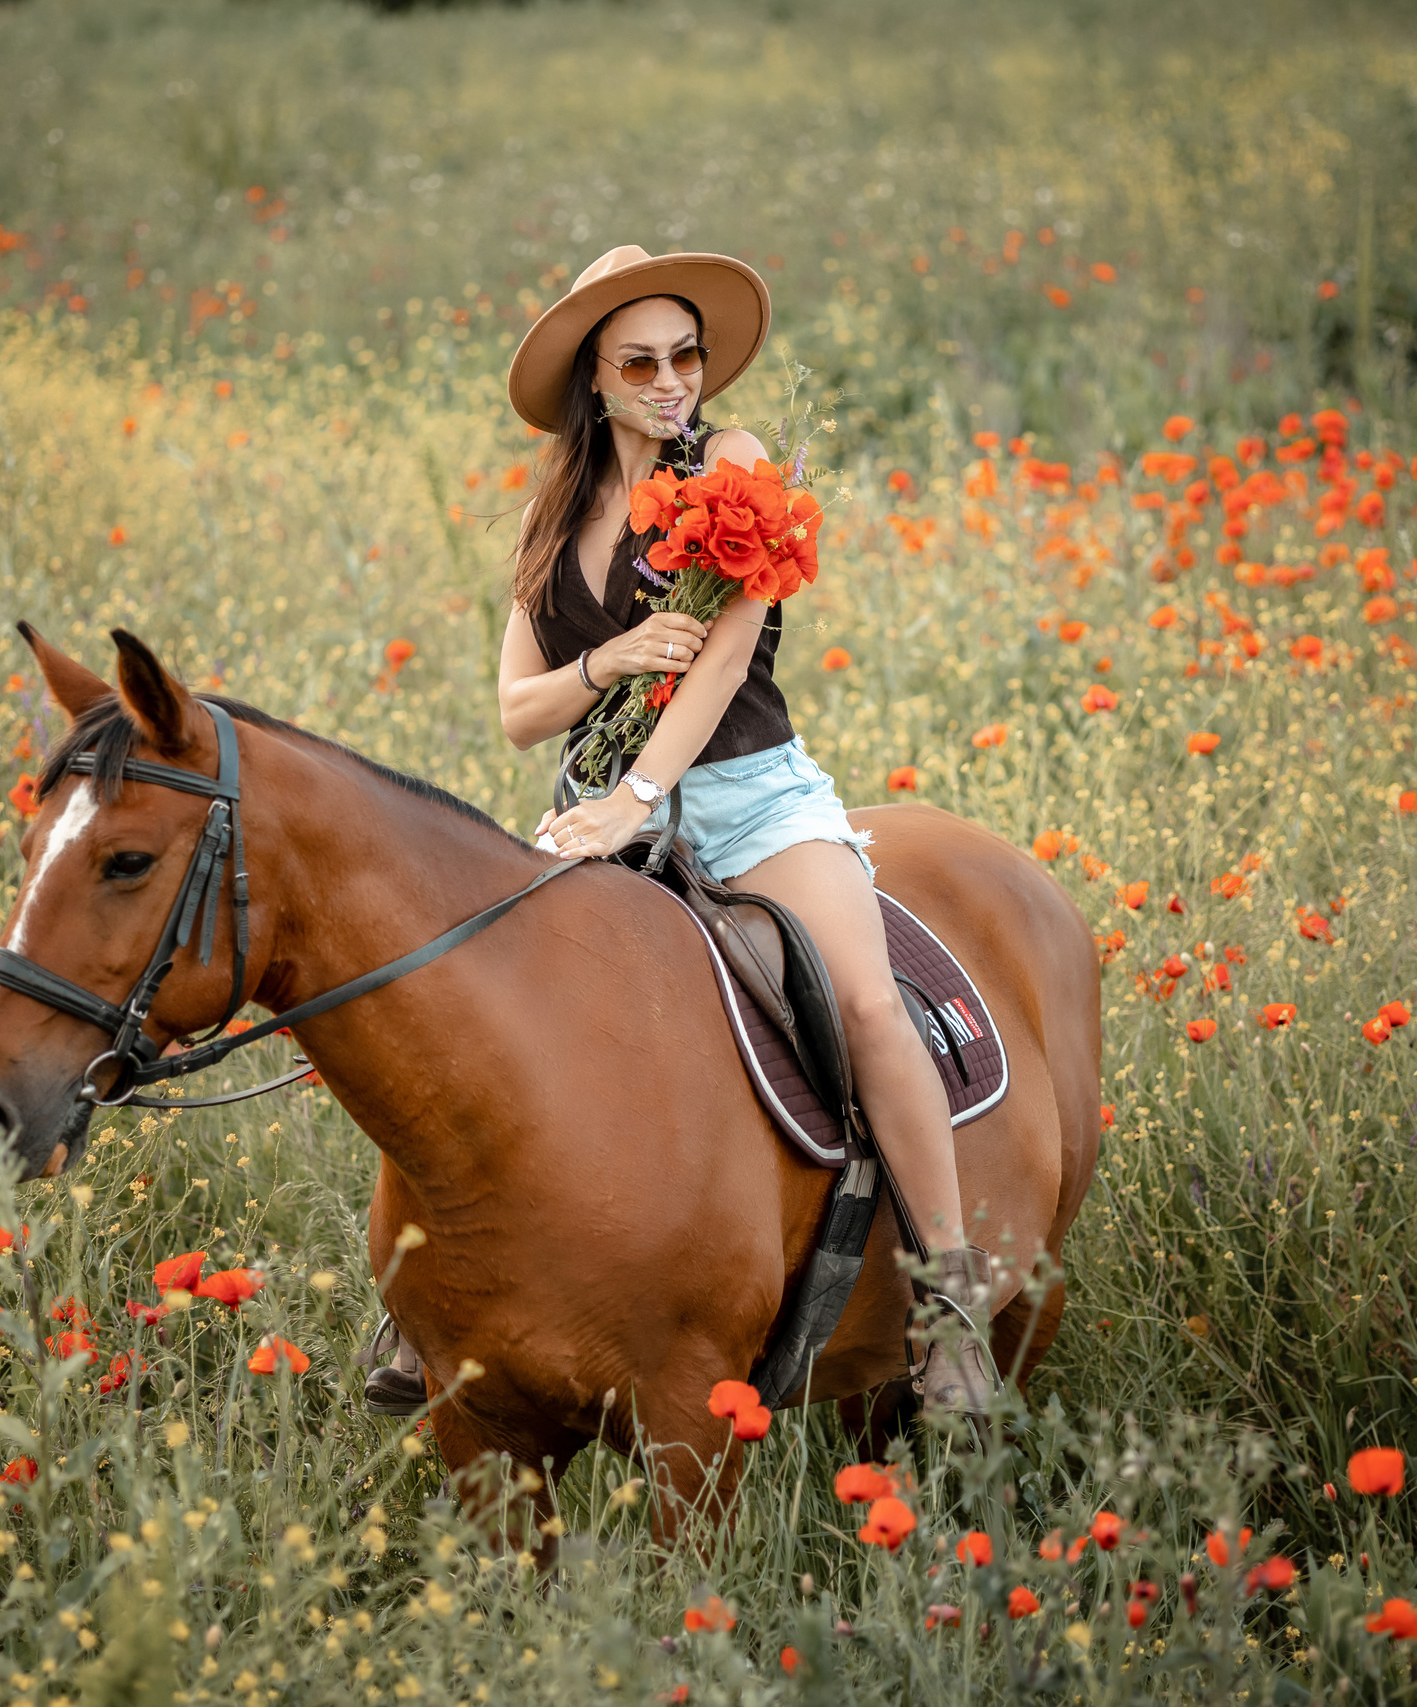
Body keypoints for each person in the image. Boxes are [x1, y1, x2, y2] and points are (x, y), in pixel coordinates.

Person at [362, 244, 998, 1421]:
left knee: (863, 1003)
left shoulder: (737, 464)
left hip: (748, 795)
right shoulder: (549, 515)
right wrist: (602, 663)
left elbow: (717, 663)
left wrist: (635, 802)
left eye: (685, 356)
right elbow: (516, 712)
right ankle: (422, 1297)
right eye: (639, 362)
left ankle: (949, 1305)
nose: (671, 382)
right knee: (474, 1010)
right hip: (593, 799)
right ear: (592, 382)